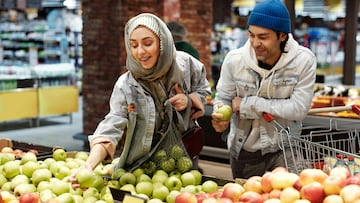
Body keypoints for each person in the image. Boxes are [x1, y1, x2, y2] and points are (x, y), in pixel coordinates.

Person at [74, 13, 211, 175]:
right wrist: (89, 165)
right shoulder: (127, 85)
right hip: (143, 165)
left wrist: (189, 100)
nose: (140, 52)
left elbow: (203, 91)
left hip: (183, 155)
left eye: (147, 43)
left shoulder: (187, 66)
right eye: (133, 45)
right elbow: (112, 124)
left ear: (162, 42)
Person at [211, 0, 317, 179]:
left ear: (282, 36)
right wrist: (220, 115)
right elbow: (223, 97)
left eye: (263, 37)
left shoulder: (303, 61)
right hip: (244, 150)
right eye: (251, 35)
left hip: (285, 148)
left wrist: (248, 105)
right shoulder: (234, 60)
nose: (255, 43)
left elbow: (299, 108)